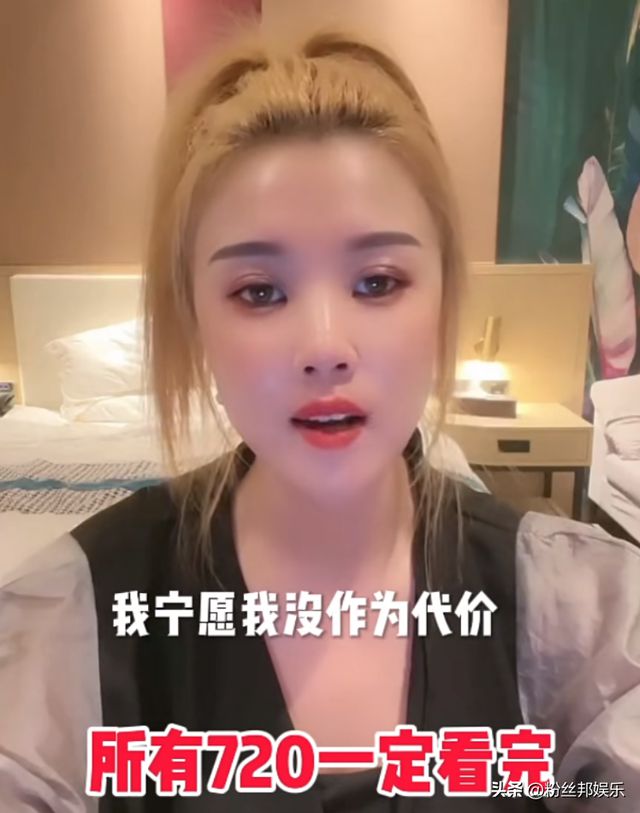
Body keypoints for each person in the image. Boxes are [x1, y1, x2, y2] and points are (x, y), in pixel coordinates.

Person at [1, 23, 639, 813]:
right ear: (195, 323)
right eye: (259, 292)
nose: (326, 347)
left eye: (378, 282)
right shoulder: (75, 614)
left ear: (444, 299)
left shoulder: (575, 613)